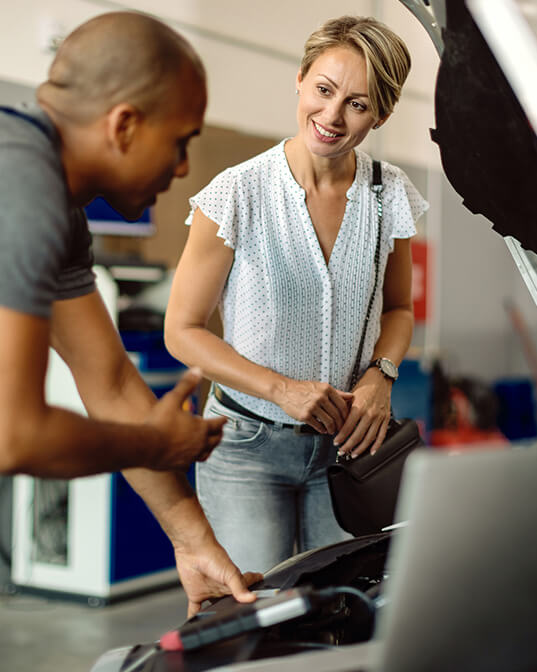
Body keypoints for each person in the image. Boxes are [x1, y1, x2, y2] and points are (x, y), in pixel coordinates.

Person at [0, 11, 262, 616]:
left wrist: (193, 540)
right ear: (124, 125)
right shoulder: (23, 186)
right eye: (181, 141)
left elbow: (113, 383)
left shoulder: (58, 209)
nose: (181, 168)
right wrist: (151, 442)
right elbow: (15, 435)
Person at [164, 15, 429, 573]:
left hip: (350, 449)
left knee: (345, 614)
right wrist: (280, 388)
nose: (331, 117)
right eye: (324, 90)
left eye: (357, 104)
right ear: (302, 79)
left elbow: (399, 309)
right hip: (246, 446)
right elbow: (181, 332)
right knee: (249, 620)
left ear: (380, 113)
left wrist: (382, 374)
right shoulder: (237, 194)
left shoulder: (390, 194)